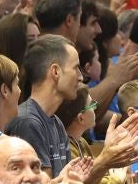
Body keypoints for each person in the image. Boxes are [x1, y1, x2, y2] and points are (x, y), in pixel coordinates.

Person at [7, 35, 82, 176]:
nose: (80, 76)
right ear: (55, 72)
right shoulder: (28, 122)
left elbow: (70, 182)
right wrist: (104, 161)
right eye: (76, 68)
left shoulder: (56, 123)